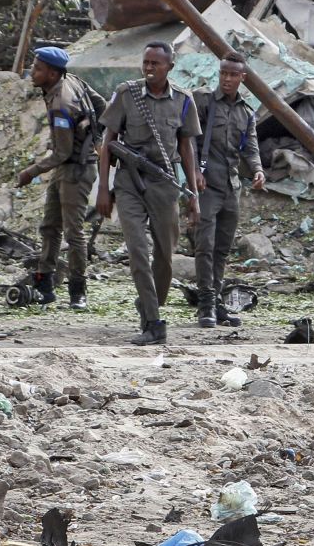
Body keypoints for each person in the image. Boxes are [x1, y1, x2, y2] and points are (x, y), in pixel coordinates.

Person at [97, 41, 201, 345]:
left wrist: (192, 193)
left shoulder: (183, 100)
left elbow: (186, 147)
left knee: (165, 258)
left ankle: (149, 303)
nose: (149, 68)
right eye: (146, 63)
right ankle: (154, 323)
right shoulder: (126, 94)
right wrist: (104, 187)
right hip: (129, 182)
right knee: (138, 251)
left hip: (165, 184)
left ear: (170, 66)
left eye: (156, 63)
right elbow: (109, 141)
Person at [16, 46, 106, 309]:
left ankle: (78, 291)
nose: (32, 72)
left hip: (76, 169)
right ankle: (45, 285)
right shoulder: (71, 80)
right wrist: (93, 132)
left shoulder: (60, 105)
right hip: (67, 167)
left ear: (53, 73)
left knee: (73, 232)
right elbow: (100, 103)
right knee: (49, 226)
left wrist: (30, 172)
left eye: (38, 69)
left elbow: (62, 152)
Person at [191, 53, 265, 328]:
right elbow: (188, 141)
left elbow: (250, 146)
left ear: (242, 78)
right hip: (206, 184)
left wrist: (258, 170)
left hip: (231, 186)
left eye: (233, 75)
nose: (227, 79)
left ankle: (217, 303)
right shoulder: (204, 102)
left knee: (222, 248)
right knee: (204, 246)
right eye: (224, 73)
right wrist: (193, 174)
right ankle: (206, 305)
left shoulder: (246, 111)